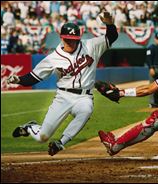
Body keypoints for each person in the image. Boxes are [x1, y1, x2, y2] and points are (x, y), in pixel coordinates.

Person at [6, 12, 118, 156]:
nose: (71, 43)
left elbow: (112, 37)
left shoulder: (91, 46)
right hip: (63, 97)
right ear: (62, 38)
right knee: (42, 137)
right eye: (68, 39)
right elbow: (34, 77)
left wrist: (109, 23)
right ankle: (30, 127)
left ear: (79, 38)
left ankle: (61, 142)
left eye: (74, 40)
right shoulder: (53, 58)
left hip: (84, 96)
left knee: (86, 110)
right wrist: (19, 80)